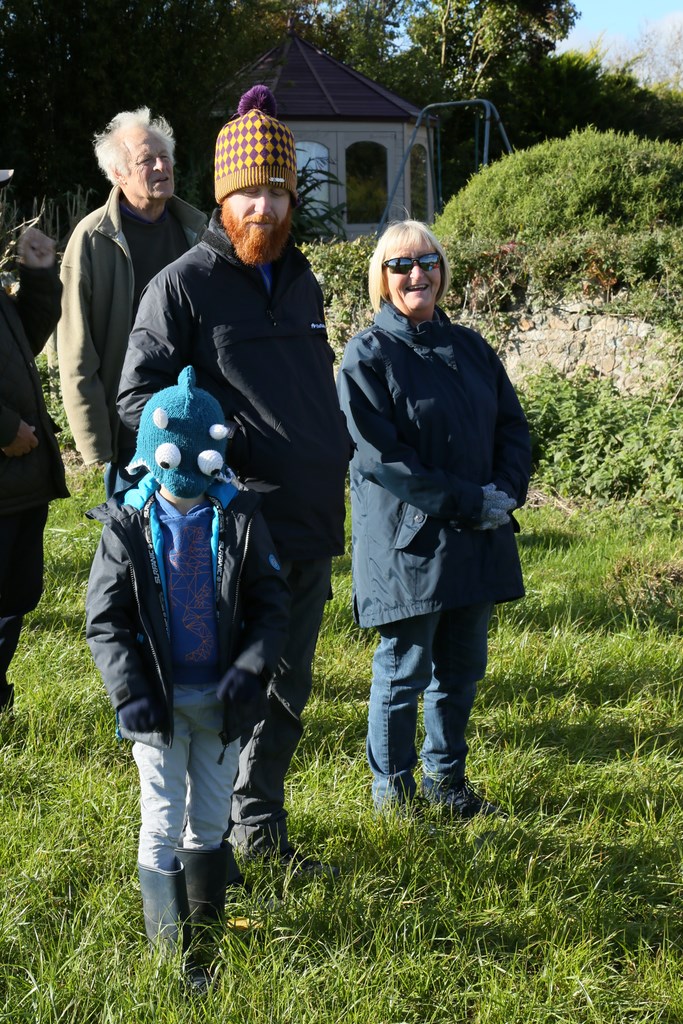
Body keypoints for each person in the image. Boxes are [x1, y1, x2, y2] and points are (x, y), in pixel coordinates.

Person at [117, 84, 350, 875]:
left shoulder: (303, 281)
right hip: (229, 531)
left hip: (312, 515)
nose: (264, 207)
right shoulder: (182, 285)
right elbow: (138, 398)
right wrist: (221, 454)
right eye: (249, 190)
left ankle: (259, 830)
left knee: (289, 688)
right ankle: (194, 843)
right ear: (223, 195)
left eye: (277, 190)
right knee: (223, 693)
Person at [85, 367, 290, 990]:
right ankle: (171, 957)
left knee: (210, 815)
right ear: (154, 456)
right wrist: (131, 691)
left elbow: (270, 606)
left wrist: (252, 668)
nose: (186, 493)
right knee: (161, 816)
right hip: (158, 705)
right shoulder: (126, 526)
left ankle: (203, 940)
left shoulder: (240, 520)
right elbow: (107, 621)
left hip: (223, 704)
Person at [336, 220, 531, 817]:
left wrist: (504, 490)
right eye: (401, 266)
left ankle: (447, 786)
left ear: (442, 271)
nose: (416, 274)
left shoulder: (471, 347)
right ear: (382, 277)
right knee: (404, 671)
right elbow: (382, 458)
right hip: (409, 542)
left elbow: (512, 428)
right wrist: (468, 501)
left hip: (477, 537)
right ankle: (393, 799)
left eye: (428, 262)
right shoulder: (367, 355)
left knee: (462, 668)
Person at [56, 107, 207, 498]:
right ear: (118, 175)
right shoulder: (91, 240)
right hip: (131, 435)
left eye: (165, 157)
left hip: (198, 423)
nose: (162, 166)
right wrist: (95, 443)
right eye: (146, 160)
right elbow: (75, 348)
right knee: (135, 550)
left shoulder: (198, 232)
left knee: (199, 550)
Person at [0, 168, 69, 712]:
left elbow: (27, 336)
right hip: (8, 466)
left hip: (20, 482)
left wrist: (39, 275)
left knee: (15, 598)